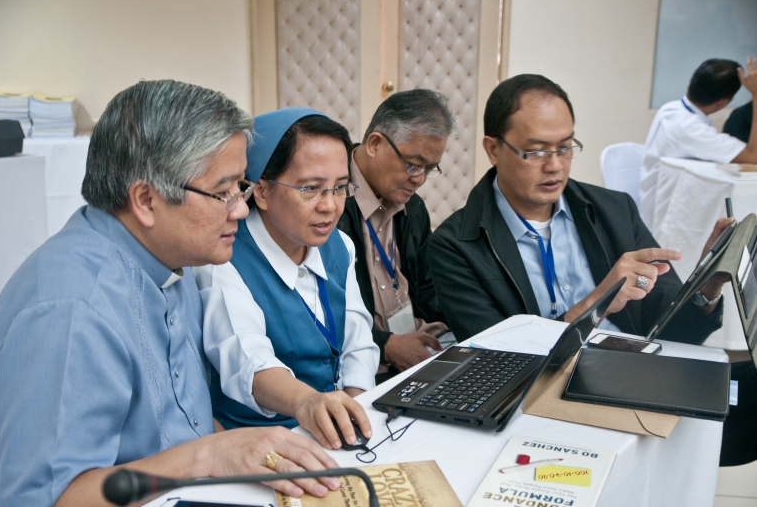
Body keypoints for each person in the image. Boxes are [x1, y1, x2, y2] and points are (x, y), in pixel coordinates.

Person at [0, 81, 341, 507]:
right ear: (146, 200)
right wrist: (208, 455)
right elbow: (49, 500)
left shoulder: (173, 260)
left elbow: (182, 421)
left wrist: (250, 453)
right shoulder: (71, 311)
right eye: (222, 192)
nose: (242, 208)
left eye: (241, 187)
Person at [429, 73, 728, 345]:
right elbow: (495, 357)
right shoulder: (456, 245)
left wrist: (707, 284)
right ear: (493, 149)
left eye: (565, 147)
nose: (555, 166)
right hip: (536, 396)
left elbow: (674, 332)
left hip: (629, 375)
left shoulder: (614, 211)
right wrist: (598, 302)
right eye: (536, 152)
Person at [195, 108, 379, 451]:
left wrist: (357, 409)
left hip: (334, 432)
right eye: (311, 188)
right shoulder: (224, 259)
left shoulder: (339, 245)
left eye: (339, 188)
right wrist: (308, 404)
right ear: (261, 191)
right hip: (261, 441)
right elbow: (249, 360)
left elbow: (357, 336)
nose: (330, 206)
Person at [336, 89, 455, 382]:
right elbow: (321, 310)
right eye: (413, 164)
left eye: (430, 168)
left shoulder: (413, 208)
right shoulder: (331, 202)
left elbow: (427, 290)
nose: (420, 179)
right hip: (362, 368)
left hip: (414, 352)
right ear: (375, 143)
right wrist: (386, 345)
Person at [640, 57, 757, 230]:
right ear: (723, 102)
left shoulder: (671, 108)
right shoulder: (691, 130)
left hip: (656, 203)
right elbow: (752, 156)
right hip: (664, 219)